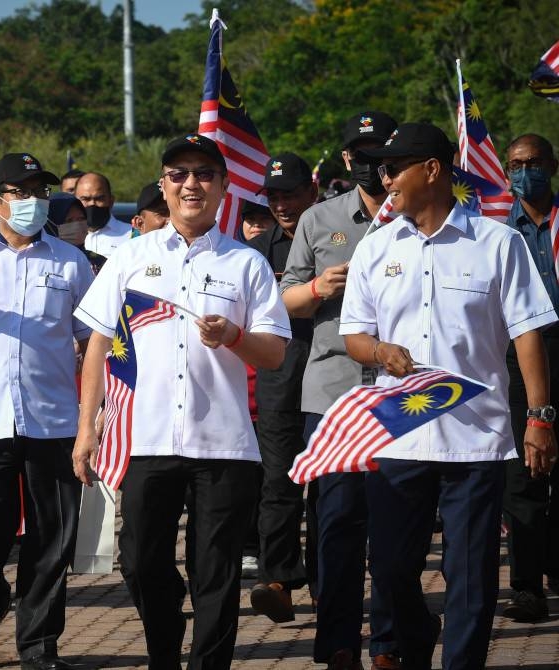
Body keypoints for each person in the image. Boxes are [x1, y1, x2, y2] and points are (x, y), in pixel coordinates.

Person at [342, 122, 557, 669]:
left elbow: (528, 333)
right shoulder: (376, 246)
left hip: (476, 442)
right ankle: (415, 636)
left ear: (432, 169)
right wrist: (380, 351)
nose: (384, 177)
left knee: (470, 578)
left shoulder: (498, 243)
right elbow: (354, 336)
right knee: (389, 568)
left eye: (394, 167)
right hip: (400, 436)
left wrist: (538, 417)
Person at [73, 133, 290, 669]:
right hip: (144, 439)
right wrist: (87, 428)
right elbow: (99, 344)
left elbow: (274, 354)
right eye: (178, 174)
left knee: (215, 571)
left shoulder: (247, 264)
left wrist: (234, 336)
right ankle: (164, 651)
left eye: (203, 174)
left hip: (223, 444)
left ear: (222, 187)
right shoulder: (130, 257)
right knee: (140, 563)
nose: (191, 184)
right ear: (163, 187)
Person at [0, 153, 93, 670]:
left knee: (52, 539)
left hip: (52, 419)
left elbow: (91, 339)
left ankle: (38, 643)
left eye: (41, 192)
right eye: (21, 192)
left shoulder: (71, 262)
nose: (33, 202)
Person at [279, 110, 399, 670]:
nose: (371, 164)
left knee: (400, 527)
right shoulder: (318, 219)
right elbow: (281, 302)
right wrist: (318, 287)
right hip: (333, 393)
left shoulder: (419, 218)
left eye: (381, 154)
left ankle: (392, 642)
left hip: (404, 395)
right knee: (337, 525)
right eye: (360, 154)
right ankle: (339, 644)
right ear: (347, 159)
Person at [245, 152, 317, 623]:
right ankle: (279, 579)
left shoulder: (339, 234)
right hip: (278, 379)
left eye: (290, 193)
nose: (282, 204)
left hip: (333, 372)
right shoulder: (253, 252)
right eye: (274, 196)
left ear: (311, 190)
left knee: (334, 485)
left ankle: (333, 578)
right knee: (278, 482)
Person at [500, 133, 559, 622]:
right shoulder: (501, 233)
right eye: (516, 164)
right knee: (524, 473)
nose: (525, 172)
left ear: (553, 165)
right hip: (521, 356)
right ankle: (526, 585)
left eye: (534, 162)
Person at [74, 171, 133, 257]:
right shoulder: (64, 237)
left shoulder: (132, 235)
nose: (92, 204)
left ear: (111, 201)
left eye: (99, 199)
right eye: (86, 199)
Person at [47, 192, 107, 274]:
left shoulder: (99, 262)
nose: (77, 225)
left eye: (81, 218)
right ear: (52, 224)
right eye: (69, 220)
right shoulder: (42, 260)